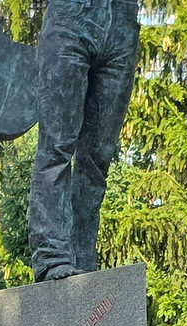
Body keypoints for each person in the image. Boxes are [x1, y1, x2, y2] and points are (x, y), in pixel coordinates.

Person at [28, 0, 140, 281]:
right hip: (70, 17)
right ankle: (52, 255)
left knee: (97, 159)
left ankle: (82, 259)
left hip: (123, 23)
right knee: (57, 147)